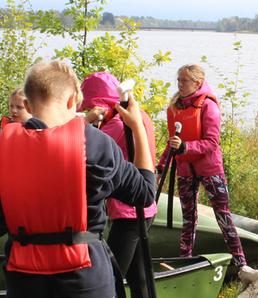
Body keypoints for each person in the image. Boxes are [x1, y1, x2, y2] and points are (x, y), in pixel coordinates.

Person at [0, 59, 157, 297]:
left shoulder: (1, 150)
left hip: (23, 278)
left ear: (27, 103)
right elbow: (145, 193)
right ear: (72, 101)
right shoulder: (95, 144)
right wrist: (138, 127)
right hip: (85, 277)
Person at [158, 63, 258, 282]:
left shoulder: (208, 105)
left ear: (197, 82)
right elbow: (172, 143)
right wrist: (160, 166)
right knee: (188, 220)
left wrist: (186, 147)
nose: (179, 84)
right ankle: (184, 264)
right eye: (178, 80)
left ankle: (242, 267)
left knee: (223, 216)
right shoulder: (175, 107)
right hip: (186, 170)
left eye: (184, 80)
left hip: (210, 170)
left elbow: (211, 142)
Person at [80, 71, 159, 298]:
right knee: (139, 277)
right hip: (144, 209)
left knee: (111, 277)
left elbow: (88, 147)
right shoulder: (139, 115)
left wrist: (87, 122)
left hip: (129, 211)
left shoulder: (115, 127)